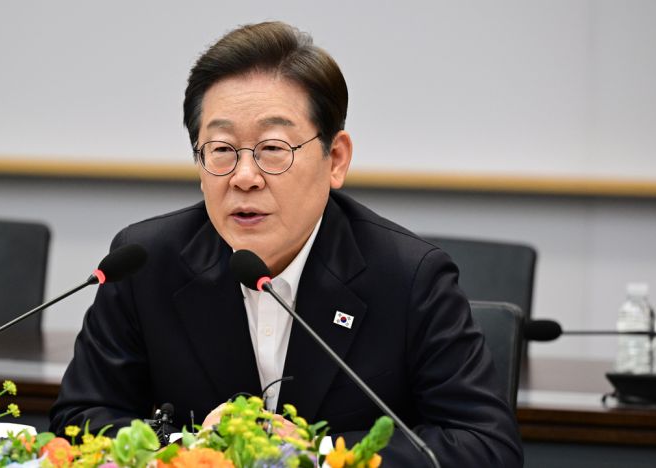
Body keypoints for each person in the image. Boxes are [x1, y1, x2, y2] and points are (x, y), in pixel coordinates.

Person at [50, 21, 523, 466]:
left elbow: (486, 445)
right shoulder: (146, 263)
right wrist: (191, 451)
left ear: (335, 159)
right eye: (221, 150)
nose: (245, 176)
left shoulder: (409, 277)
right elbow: (79, 419)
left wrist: (316, 456)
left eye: (273, 149)